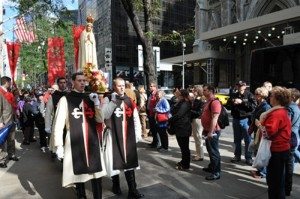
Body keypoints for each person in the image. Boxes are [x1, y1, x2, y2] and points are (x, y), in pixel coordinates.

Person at [52, 72, 105, 198]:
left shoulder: (90, 98)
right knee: (79, 174)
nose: (82, 83)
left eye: (84, 81)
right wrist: (58, 145)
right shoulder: (66, 99)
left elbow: (100, 120)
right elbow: (58, 124)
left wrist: (97, 104)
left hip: (92, 139)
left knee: (96, 174)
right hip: (75, 139)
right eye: (79, 80)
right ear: (73, 82)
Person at [101, 77, 144, 199]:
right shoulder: (108, 98)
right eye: (119, 86)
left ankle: (132, 190)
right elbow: (104, 115)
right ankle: (116, 185)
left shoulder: (129, 100)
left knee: (130, 162)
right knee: (115, 162)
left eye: (123, 86)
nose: (121, 88)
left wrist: (137, 134)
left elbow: (135, 118)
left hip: (128, 136)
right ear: (114, 87)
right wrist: (112, 103)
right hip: (113, 135)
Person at [255, 86, 291, 199]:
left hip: (276, 150)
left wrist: (259, 125)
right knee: (277, 180)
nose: (270, 97)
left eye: (272, 96)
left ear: (277, 98)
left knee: (274, 182)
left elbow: (268, 133)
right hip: (281, 149)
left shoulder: (276, 113)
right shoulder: (282, 111)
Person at [228, 81, 256, 165]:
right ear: (236, 86)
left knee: (248, 140)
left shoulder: (249, 95)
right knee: (237, 140)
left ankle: (248, 157)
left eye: (242, 85)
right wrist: (232, 102)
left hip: (246, 119)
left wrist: (242, 102)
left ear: (245, 86)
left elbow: (253, 107)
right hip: (236, 119)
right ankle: (237, 156)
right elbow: (228, 105)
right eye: (238, 85)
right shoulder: (233, 94)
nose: (240, 87)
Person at [248, 87, 271, 178]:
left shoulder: (266, 106)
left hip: (261, 131)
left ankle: (262, 172)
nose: (255, 95)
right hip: (257, 130)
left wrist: (259, 123)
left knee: (261, 151)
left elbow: (266, 121)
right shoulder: (260, 104)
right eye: (255, 93)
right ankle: (260, 170)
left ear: (262, 95)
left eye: (257, 94)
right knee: (258, 150)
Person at [200, 85, 222, 180]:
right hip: (207, 130)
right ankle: (212, 167)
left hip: (213, 131)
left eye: (205, 90)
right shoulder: (208, 101)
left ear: (210, 91)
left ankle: (216, 172)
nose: (203, 92)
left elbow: (215, 118)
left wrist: (210, 132)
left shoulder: (215, 102)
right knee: (210, 150)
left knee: (214, 152)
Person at [169, 89, 192, 170]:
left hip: (184, 128)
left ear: (182, 95)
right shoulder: (181, 102)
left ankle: (186, 165)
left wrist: (169, 119)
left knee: (185, 147)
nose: (177, 95)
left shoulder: (185, 103)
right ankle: (183, 161)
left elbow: (179, 115)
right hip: (179, 127)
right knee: (182, 147)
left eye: (178, 94)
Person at [45, 77, 67, 154]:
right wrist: (47, 126)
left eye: (64, 82)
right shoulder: (53, 96)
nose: (63, 84)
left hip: (68, 123)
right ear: (58, 84)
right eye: (61, 82)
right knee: (57, 140)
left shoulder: (69, 95)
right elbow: (48, 112)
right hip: (57, 121)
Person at [0, 76, 18, 168]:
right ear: (6, 82)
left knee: (11, 139)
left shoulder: (9, 93)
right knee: (2, 141)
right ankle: (2, 159)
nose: (11, 84)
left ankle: (11, 154)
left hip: (11, 120)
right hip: (3, 121)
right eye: (10, 82)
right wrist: (0, 122)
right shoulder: (0, 92)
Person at [285, 88, 300, 196]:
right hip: (293, 136)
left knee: (288, 164)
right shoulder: (294, 107)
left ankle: (286, 188)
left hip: (290, 137)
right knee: (289, 163)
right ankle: (287, 187)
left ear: (293, 97)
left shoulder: (290, 107)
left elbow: (286, 123)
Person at [190, 85, 205, 161]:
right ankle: (198, 153)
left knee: (198, 137)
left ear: (198, 91)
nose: (193, 91)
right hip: (194, 119)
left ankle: (200, 155)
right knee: (196, 137)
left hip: (198, 119)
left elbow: (199, 112)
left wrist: (190, 111)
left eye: (194, 90)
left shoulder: (201, 99)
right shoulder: (196, 99)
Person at [147, 82, 160, 148]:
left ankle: (157, 142)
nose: (150, 87)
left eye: (152, 86)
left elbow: (157, 103)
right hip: (150, 113)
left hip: (154, 114)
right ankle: (154, 142)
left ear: (155, 87)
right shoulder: (151, 94)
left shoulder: (156, 94)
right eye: (150, 86)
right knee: (152, 129)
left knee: (155, 129)